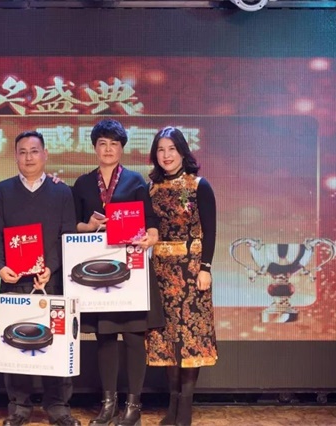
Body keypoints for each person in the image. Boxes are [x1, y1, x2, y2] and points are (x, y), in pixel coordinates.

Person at [72, 119, 164, 426]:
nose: (108, 149)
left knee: (135, 338)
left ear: (122, 148)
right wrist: (90, 226)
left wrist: (150, 236)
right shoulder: (83, 184)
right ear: (94, 148)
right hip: (97, 273)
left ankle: (133, 406)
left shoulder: (135, 181)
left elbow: (151, 223)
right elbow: (73, 225)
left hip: (131, 271)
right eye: (102, 144)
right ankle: (108, 404)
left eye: (114, 144)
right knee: (106, 338)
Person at [0, 131, 80, 426]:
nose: (29, 157)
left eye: (34, 151)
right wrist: (0, 267)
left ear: (45, 154)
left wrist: (51, 267)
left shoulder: (62, 192)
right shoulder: (3, 190)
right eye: (23, 152)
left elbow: (67, 235)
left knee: (57, 342)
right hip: (14, 280)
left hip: (52, 280)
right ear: (15, 156)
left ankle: (58, 406)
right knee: (16, 341)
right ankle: (19, 406)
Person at [145, 126, 218, 426]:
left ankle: (185, 409)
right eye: (161, 150)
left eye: (171, 149)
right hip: (161, 272)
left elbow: (210, 231)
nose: (166, 155)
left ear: (182, 151)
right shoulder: (151, 188)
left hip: (191, 271)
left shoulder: (199, 185)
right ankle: (172, 407)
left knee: (190, 339)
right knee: (168, 339)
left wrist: (205, 269)